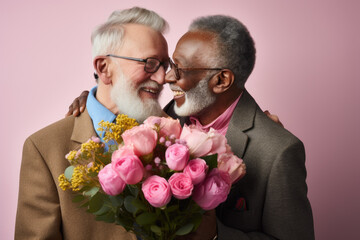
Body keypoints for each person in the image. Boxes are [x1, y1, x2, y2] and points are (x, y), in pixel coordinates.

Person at [68, 14, 314, 240]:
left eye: (179, 68)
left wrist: (217, 235)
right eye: (170, 65)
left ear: (221, 80)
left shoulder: (278, 150)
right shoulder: (166, 117)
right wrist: (89, 100)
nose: (167, 78)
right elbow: (121, 101)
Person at [16, 7, 169, 240]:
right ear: (103, 68)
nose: (162, 78)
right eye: (149, 63)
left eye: (164, 66)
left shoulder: (176, 136)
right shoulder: (44, 149)